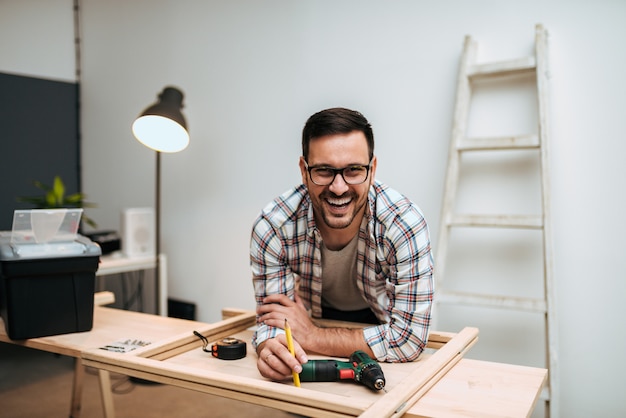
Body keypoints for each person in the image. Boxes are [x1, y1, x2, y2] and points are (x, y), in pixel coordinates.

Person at [250, 107, 433, 382]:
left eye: (353, 170)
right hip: (314, 313)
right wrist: (271, 349)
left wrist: (312, 335)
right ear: (304, 170)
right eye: (324, 170)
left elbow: (408, 340)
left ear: (371, 170)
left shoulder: (404, 225)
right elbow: (274, 322)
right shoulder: (272, 227)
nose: (338, 187)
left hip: (380, 322)